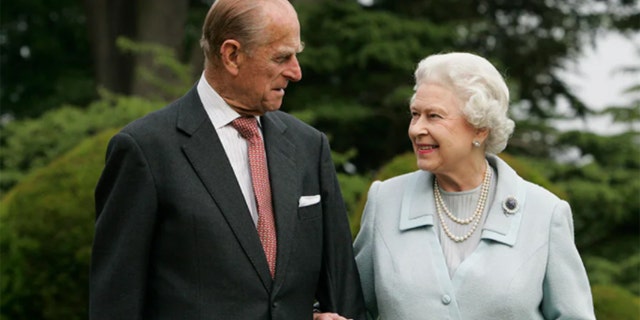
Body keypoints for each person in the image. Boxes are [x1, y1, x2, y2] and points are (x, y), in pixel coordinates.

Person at [89, 0, 365, 319]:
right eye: (281, 57)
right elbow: (115, 302)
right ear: (232, 55)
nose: (296, 72)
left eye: (296, 56)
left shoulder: (309, 146)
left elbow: (342, 289)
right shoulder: (145, 150)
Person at [353, 52, 596, 319]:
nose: (416, 129)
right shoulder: (385, 201)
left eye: (434, 116)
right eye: (415, 114)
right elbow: (352, 307)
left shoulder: (545, 213)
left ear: (480, 128)